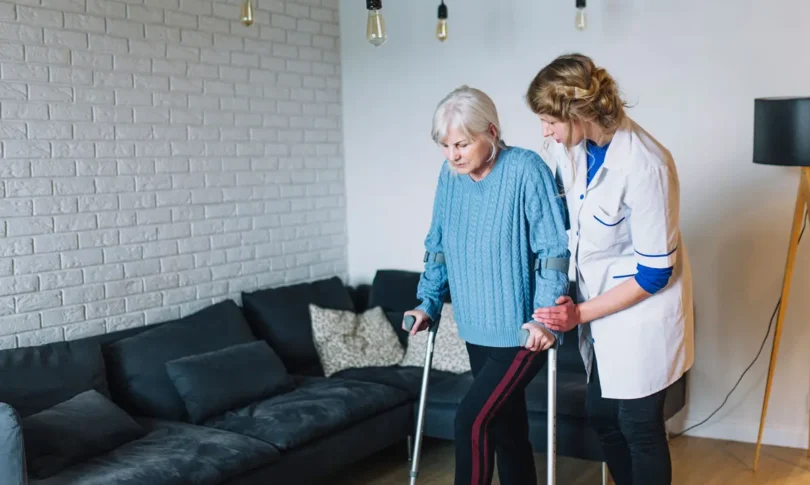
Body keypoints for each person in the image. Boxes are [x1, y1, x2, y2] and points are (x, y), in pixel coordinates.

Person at [524, 53, 695, 485]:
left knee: (638, 425)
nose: (544, 131)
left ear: (578, 112)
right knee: (602, 417)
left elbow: (655, 273)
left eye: (549, 120)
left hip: (642, 313)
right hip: (602, 312)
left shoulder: (645, 163)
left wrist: (579, 313)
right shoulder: (575, 150)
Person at [403, 85, 571, 485]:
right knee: (506, 429)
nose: (453, 154)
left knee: (470, 420)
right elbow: (438, 246)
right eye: (445, 145)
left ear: (491, 132)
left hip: (522, 332)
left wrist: (545, 320)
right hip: (475, 327)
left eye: (461, 143)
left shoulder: (526, 169)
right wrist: (427, 300)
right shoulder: (450, 176)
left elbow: (553, 249)